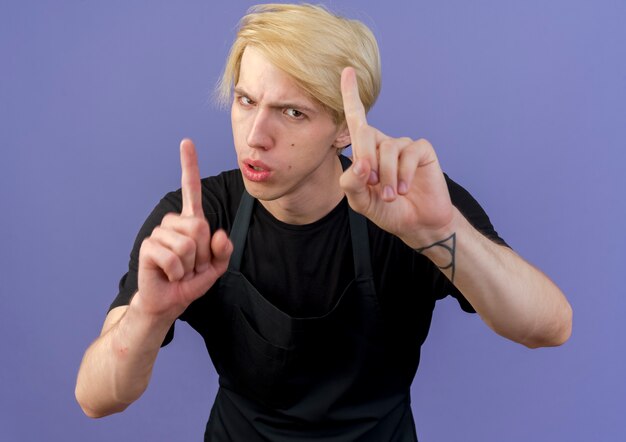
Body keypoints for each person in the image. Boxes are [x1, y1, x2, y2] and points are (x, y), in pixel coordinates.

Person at [75, 3, 572, 441]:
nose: (256, 136)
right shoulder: (196, 219)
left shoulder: (412, 204)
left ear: (342, 130)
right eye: (246, 101)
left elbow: (548, 326)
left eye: (292, 112)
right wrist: (149, 314)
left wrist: (437, 233)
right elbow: (96, 398)